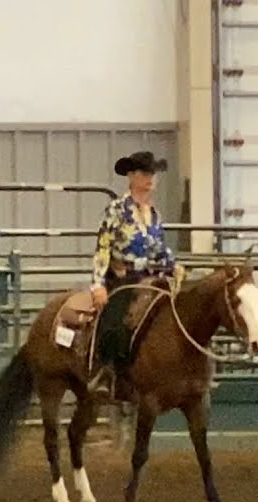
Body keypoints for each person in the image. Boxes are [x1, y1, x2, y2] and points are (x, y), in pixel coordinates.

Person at [87, 150, 181, 396]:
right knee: (116, 318)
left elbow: (159, 248)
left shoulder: (155, 215)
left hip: (150, 278)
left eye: (152, 174)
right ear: (131, 176)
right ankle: (107, 370)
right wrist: (97, 284)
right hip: (122, 278)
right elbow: (103, 246)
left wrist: (173, 265)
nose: (150, 178)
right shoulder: (116, 210)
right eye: (144, 173)